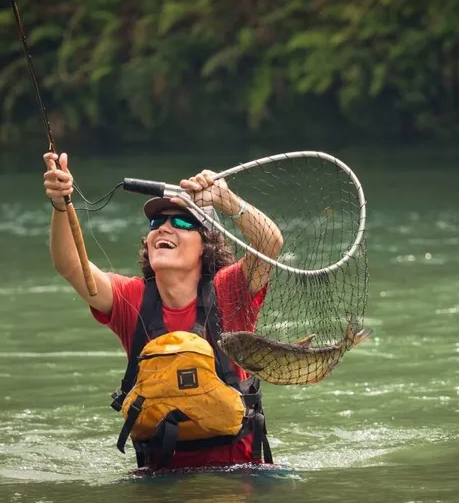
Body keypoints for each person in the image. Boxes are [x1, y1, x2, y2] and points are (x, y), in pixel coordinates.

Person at [43, 152, 284, 470]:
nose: (164, 228)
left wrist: (226, 200)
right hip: (159, 478)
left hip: (237, 475)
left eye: (182, 222)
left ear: (206, 244)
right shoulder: (132, 297)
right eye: (157, 222)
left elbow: (270, 244)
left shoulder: (231, 289)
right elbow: (70, 266)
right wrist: (61, 204)